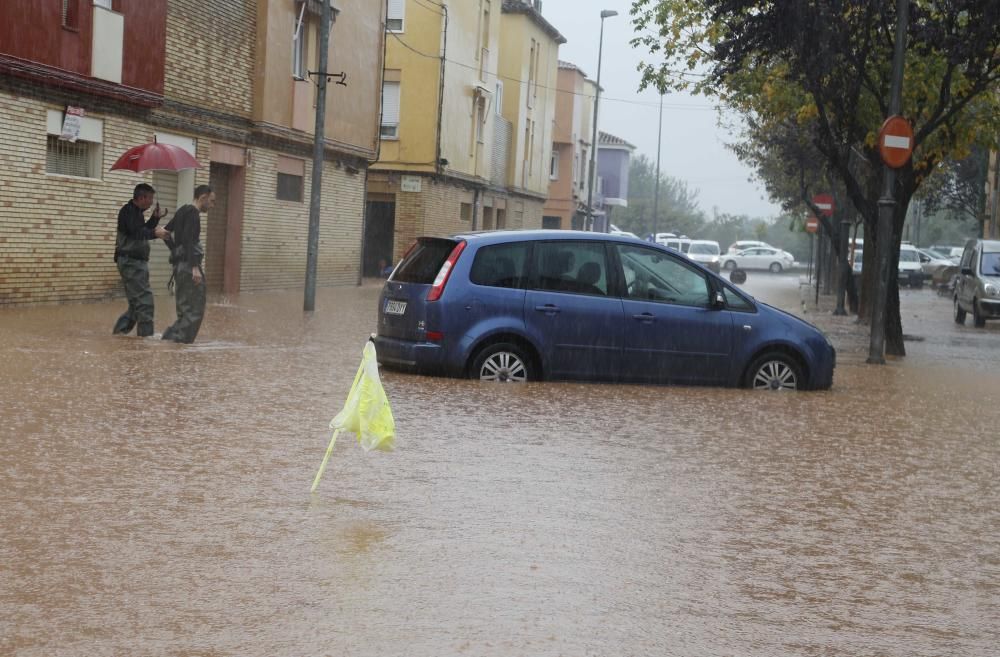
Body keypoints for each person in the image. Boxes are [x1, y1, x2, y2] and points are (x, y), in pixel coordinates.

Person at [112, 183, 168, 337]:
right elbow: (137, 233)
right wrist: (155, 233)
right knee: (145, 303)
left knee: (136, 306)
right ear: (142, 197)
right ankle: (146, 342)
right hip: (131, 262)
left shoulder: (136, 212)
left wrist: (154, 219)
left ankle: (118, 335)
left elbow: (141, 230)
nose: (151, 202)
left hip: (134, 263)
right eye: (150, 198)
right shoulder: (128, 211)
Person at [162, 185, 215, 343]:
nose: (212, 206)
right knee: (195, 308)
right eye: (212, 201)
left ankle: (170, 341)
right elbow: (189, 241)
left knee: (184, 309)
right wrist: (194, 267)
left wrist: (175, 252)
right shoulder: (193, 213)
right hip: (189, 267)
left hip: (180, 267)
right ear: (203, 197)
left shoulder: (181, 210)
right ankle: (181, 344)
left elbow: (165, 233)